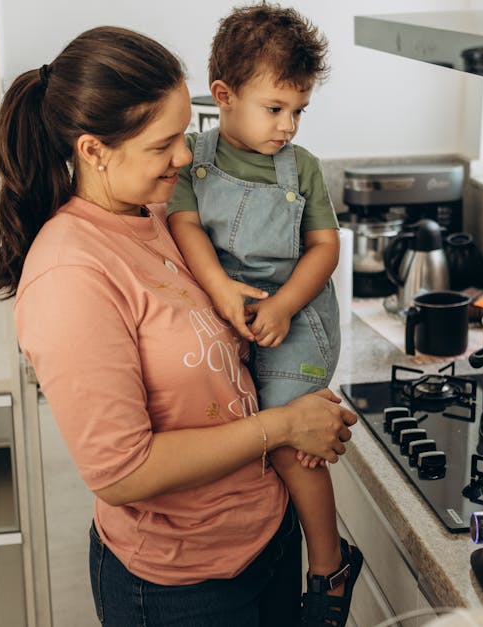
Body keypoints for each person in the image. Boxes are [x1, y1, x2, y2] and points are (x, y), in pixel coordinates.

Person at [0, 26, 359, 627]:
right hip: (183, 588)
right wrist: (286, 423)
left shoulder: (160, 216)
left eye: (185, 132)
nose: (186, 156)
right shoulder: (69, 273)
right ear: (94, 150)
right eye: (164, 144)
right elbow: (122, 473)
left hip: (267, 540)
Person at [166, 5, 360, 624]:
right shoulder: (189, 158)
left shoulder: (300, 168)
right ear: (223, 96)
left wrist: (280, 305)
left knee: (285, 445)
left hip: (297, 323)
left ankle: (328, 569)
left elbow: (325, 249)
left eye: (299, 110)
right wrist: (223, 290)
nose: (288, 126)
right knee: (246, 439)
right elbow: (184, 224)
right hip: (233, 316)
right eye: (274, 108)